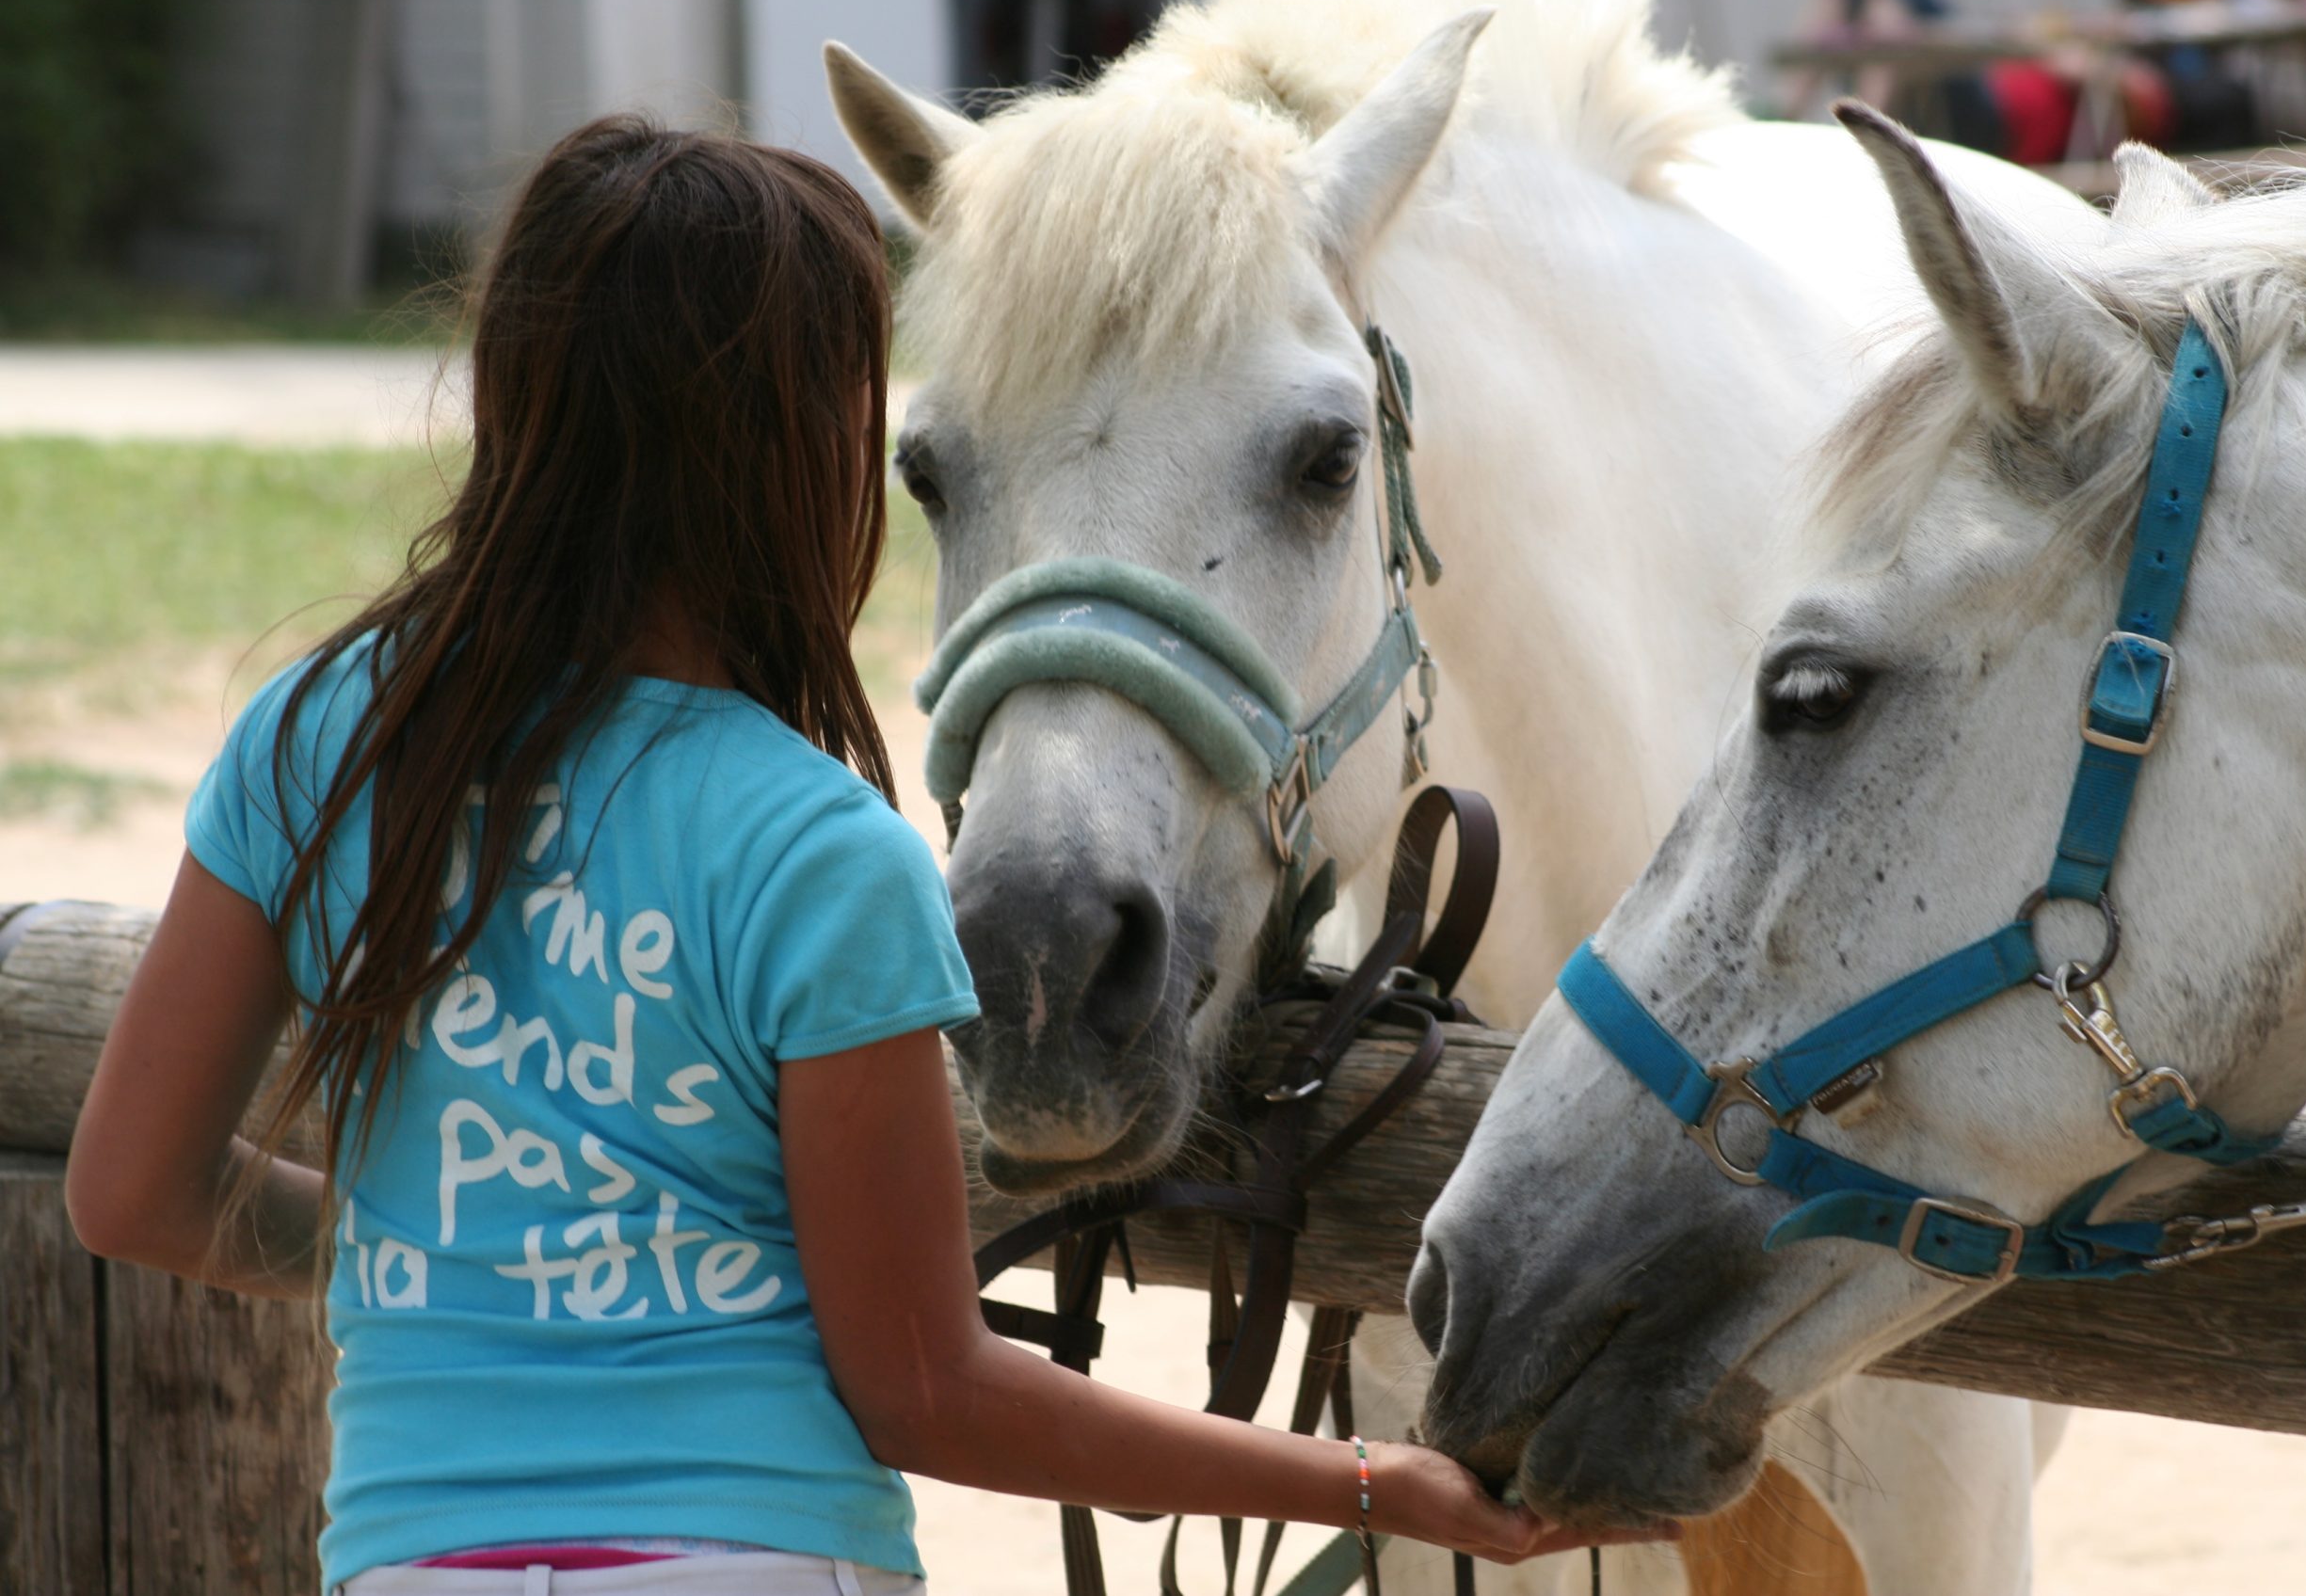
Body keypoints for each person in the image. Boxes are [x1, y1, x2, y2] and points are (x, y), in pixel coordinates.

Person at [63, 118, 1658, 1595]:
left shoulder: (314, 743)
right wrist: (1378, 1485)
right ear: (800, 444)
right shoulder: (818, 852)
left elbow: (133, 1190)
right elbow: (925, 1392)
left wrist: (458, 1251)